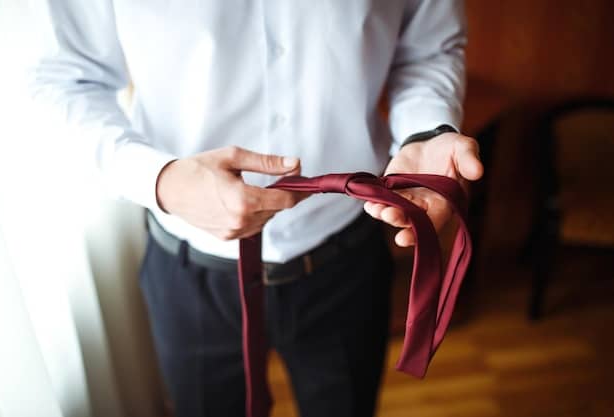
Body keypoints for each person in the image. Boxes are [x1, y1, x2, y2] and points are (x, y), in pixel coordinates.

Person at [30, 1, 483, 416]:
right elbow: (67, 81)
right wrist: (160, 179)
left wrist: (424, 129)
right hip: (190, 277)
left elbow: (427, 49)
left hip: (345, 261)